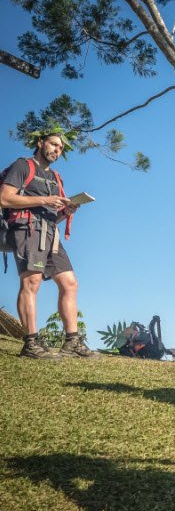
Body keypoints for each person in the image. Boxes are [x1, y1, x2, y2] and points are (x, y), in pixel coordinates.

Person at [1, 125, 95, 359]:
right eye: (54, 144)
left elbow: (54, 214)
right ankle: (31, 343)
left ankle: (72, 342)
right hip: (28, 229)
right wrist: (46, 199)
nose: (57, 150)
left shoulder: (55, 177)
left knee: (69, 283)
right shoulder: (23, 166)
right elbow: (4, 198)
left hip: (50, 233)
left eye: (61, 148)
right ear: (41, 142)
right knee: (32, 282)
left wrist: (66, 210)